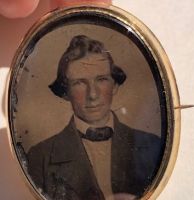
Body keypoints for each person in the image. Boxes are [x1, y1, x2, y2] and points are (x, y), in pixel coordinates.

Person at [27, 35, 161, 200]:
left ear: (115, 85)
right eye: (79, 83)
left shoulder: (152, 146)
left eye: (102, 79)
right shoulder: (40, 158)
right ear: (65, 92)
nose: (92, 94)